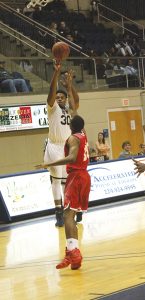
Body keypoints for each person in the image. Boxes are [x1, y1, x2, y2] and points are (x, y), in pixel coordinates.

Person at [36, 115, 91, 270]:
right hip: (85, 176)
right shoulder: (83, 135)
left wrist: (48, 163)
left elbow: (71, 158)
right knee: (71, 216)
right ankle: (74, 253)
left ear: (70, 126)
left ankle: (71, 252)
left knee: (67, 215)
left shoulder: (73, 138)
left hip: (76, 176)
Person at [44, 62, 79, 227]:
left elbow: (76, 102)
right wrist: (56, 74)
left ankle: (68, 209)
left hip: (66, 147)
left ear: (65, 99)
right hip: (54, 146)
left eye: (61, 97)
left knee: (66, 182)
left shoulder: (69, 109)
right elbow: (51, 92)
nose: (58, 99)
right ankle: (58, 212)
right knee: (56, 181)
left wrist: (70, 86)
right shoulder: (52, 108)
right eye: (57, 98)